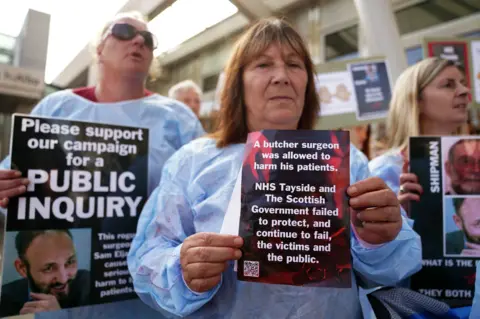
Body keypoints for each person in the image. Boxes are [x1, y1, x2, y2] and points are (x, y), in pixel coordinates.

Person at [128, 18, 422, 319]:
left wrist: (381, 237)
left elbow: (394, 266)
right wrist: (182, 267)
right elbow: (147, 256)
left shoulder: (348, 161)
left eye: (294, 65)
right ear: (237, 83)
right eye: (263, 65)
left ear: (308, 83)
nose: (282, 76)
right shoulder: (192, 162)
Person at [0, 10, 204, 319]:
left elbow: (204, 194)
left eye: (147, 39)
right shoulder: (57, 108)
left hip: (150, 301)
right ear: (99, 49)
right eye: (123, 31)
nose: (137, 40)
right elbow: (15, 190)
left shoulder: (177, 119)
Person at [369, 57, 470, 213]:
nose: (465, 91)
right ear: (416, 100)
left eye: (463, 83)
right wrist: (398, 217)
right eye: (448, 85)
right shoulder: (381, 171)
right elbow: (360, 235)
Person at [0, 230, 89, 317]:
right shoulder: (3, 300)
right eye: (48, 268)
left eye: (70, 262)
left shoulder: (89, 285)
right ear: (23, 269)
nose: (63, 279)